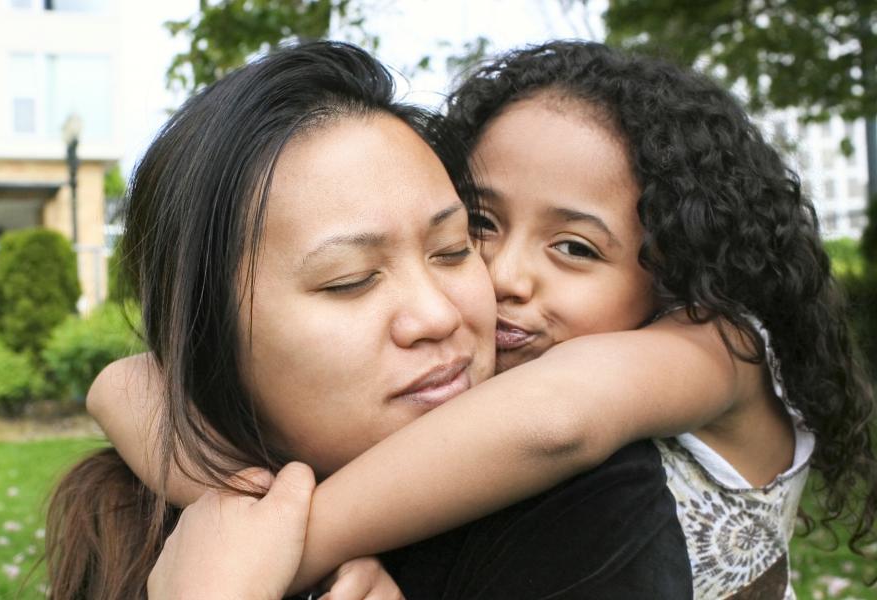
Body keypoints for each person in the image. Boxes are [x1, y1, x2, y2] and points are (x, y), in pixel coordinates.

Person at [91, 42, 877, 598]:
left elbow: (559, 418)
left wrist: (283, 543)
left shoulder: (719, 350)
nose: (503, 276)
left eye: (575, 247)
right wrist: (214, 489)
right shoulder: (486, 380)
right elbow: (127, 379)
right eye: (478, 227)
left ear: (675, 271)